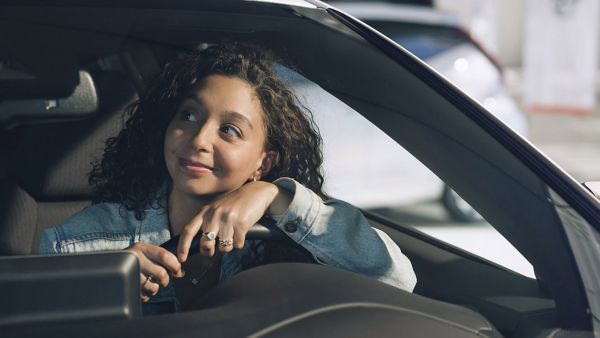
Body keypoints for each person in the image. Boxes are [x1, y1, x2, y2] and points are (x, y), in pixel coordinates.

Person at [39, 43, 416, 314]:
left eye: (231, 130)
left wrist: (276, 197)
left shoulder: (282, 244)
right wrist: (102, 288)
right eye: (188, 116)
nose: (199, 140)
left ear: (263, 162)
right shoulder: (78, 242)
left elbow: (397, 281)